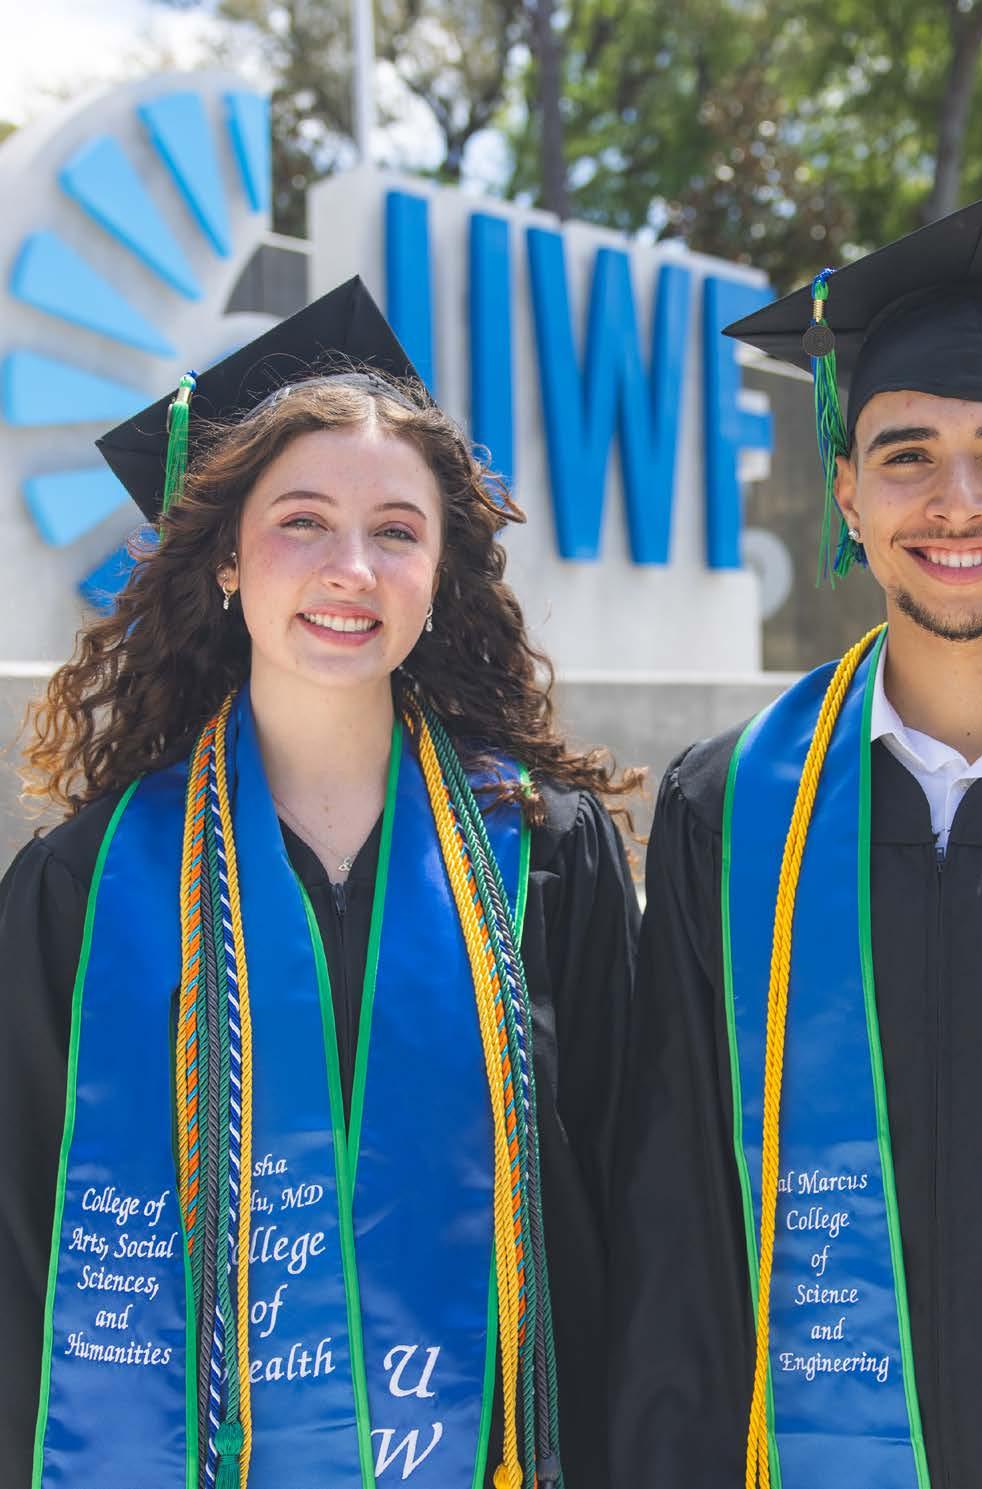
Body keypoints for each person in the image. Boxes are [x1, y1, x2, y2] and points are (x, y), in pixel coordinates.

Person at [0, 278, 639, 1489]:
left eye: (396, 530)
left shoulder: (546, 854)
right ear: (226, 560)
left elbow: (624, 1204)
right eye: (302, 521)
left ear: (439, 574)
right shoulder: (85, 887)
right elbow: (22, 1250)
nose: (351, 567)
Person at [608, 199, 982, 1489]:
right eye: (907, 454)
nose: (957, 500)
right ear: (849, 492)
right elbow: (679, 1234)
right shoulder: (735, 813)